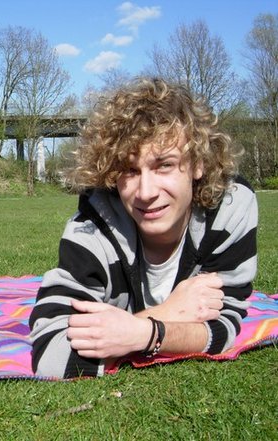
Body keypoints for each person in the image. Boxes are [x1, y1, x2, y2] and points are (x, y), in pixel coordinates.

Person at [29, 78, 257, 378]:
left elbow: (226, 327)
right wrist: (165, 317)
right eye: (130, 170)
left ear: (198, 163)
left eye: (164, 165)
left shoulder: (230, 208)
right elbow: (52, 355)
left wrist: (136, 332)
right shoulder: (92, 227)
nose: (146, 192)